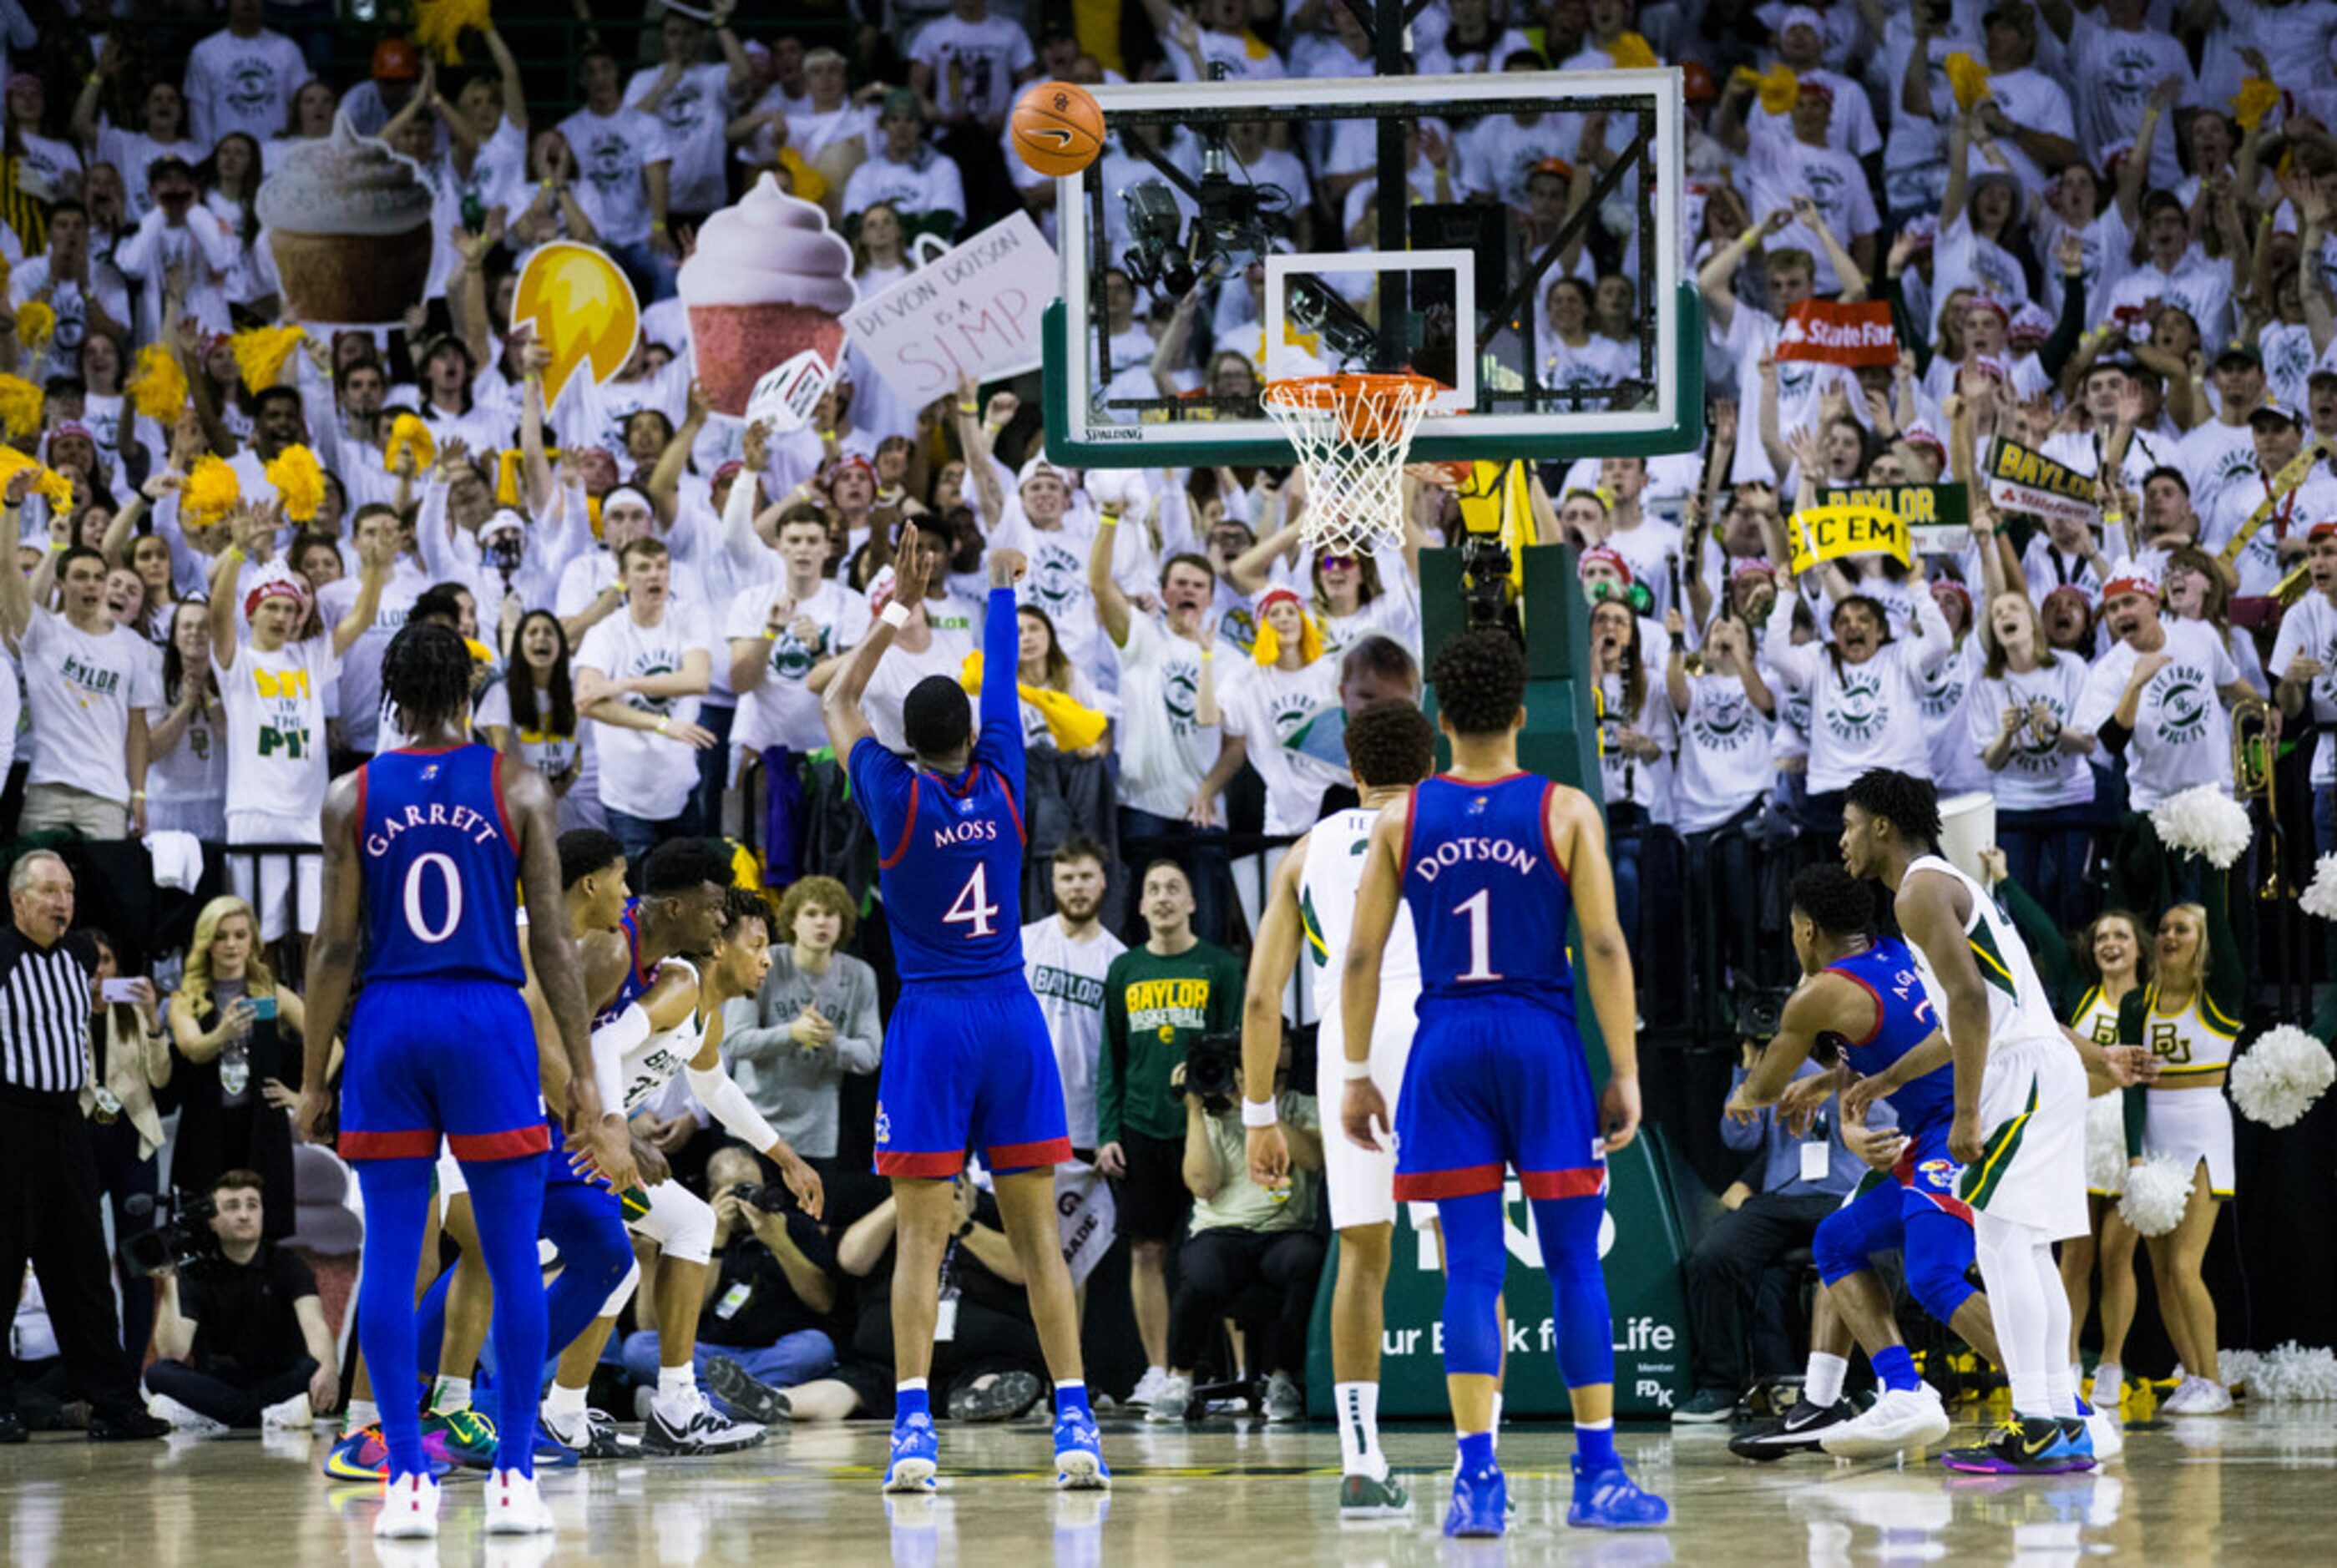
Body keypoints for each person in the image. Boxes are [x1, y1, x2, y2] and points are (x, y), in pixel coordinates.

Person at [1338, 630, 1663, 1537]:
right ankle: (1597, 1471)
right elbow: (1602, 946)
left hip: (1444, 1042)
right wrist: (1625, 1070)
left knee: (1471, 1272)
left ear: (1441, 722)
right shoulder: (1564, 812)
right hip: (1538, 1038)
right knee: (1569, 1267)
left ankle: (1476, 1481)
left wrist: (1359, 1071)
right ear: (1523, 715)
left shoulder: (1402, 820)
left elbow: (1361, 953)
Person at [295, 622, 616, 1540]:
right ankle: (513, 1476)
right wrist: (584, 1076)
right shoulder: (516, 784)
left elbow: (332, 949)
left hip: (391, 1023)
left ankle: (405, 1479)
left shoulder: (350, 794)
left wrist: (315, 1077)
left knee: (395, 1262)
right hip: (484, 1017)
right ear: (472, 690)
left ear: (391, 695)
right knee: (512, 1256)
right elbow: (552, 942)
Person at [819, 521, 1106, 1492]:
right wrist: (994, 585)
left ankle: (910, 1431)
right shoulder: (1007, 781)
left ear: (909, 744)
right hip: (1011, 1016)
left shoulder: (895, 798)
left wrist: (897, 604)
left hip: (936, 1023)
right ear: (973, 739)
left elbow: (838, 696)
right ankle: (1077, 1428)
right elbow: (992, 693)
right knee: (1038, 1242)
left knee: (921, 1237)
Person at [1841, 767, 2098, 1475]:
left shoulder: (1918, 891)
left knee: (2007, 1250)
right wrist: (1889, 1077)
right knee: (2026, 1249)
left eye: (1849, 824)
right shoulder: (1937, 884)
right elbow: (1964, 1012)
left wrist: (1962, 1110)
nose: (1843, 841)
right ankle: (2062, 1421)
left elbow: (1970, 1007)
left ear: (1882, 827)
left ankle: (2041, 1422)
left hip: (2019, 1071)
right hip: (2037, 1066)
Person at [1242, 697, 1435, 1515]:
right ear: (1429, 766)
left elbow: (1261, 998)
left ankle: (1362, 1458)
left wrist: (1259, 1116)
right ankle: (1479, 1457)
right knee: (1464, 1252)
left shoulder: (1306, 850)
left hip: (1346, 1048)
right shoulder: (1449, 827)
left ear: (1351, 773)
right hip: (1436, 1033)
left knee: (1362, 1255)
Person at [0, 849, 167, 1444]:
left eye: (68, 891)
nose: (62, 903)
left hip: (68, 1121)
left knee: (85, 1269)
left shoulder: (77, 955)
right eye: (48, 891)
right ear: (18, 899)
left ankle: (115, 1403)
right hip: (11, 1120)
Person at [1096, 859, 1245, 1406]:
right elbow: (1107, 1057)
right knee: (1146, 1250)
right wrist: (1107, 1129)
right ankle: (1158, 1370)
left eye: (1173, 889)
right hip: (1140, 1126)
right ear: (1139, 906)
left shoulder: (1219, 967)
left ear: (1191, 903)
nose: (1162, 897)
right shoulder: (1123, 970)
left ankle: (1241, 1373)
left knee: (1228, 1247)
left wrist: (1228, 1114)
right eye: (1152, 888)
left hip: (1207, 1127)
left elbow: (1237, 1049)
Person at [1151, 1045, 1324, 1425]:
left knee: (1305, 1261)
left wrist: (1260, 1108)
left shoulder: (1303, 1106)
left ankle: (1283, 1379)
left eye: (1272, 1074)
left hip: (1285, 1232)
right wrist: (1195, 1110)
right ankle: (1179, 1379)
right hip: (1221, 1231)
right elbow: (1203, 1185)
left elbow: (1313, 1159)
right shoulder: (1214, 1112)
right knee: (1201, 1273)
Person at [144, 1171, 339, 1431]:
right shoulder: (196, 1269)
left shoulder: (288, 1263)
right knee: (158, 1372)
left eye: (252, 1205)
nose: (244, 1215)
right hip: (218, 1381)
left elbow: (315, 1325)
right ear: (212, 1220)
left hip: (278, 1376)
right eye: (232, 1207)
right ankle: (266, 1417)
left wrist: (328, 1368)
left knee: (315, 1365)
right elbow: (174, 1352)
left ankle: (215, 1417)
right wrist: (169, 1284)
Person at [719, 874, 883, 1183]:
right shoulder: (764, 963)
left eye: (830, 914)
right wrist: (792, 1033)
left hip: (816, 1134)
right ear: (792, 920)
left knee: (810, 1228)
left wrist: (831, 1041)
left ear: (843, 921)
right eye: (811, 913)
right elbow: (736, 1042)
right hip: (753, 1124)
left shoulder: (860, 976)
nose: (822, 923)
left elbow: (870, 1055)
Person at [682, 1146, 842, 1424]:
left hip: (778, 1351)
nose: (748, 1201)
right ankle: (764, 1400)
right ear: (712, 1195)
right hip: (711, 1353)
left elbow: (824, 1302)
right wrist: (717, 1240)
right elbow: (689, 1309)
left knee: (818, 1346)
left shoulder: (793, 1227)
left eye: (753, 1190)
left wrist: (780, 1243)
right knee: (641, 1347)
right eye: (737, 1192)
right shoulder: (695, 1232)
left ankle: (708, 1406)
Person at [1020, 837, 1124, 1163]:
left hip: (1087, 1124)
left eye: (1086, 877)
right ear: (1053, 884)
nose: (1077, 887)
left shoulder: (1119, 961)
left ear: (1103, 880)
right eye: (1067, 878)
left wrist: (1109, 1131)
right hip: (1024, 1111)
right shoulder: (1024, 943)